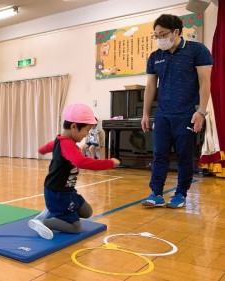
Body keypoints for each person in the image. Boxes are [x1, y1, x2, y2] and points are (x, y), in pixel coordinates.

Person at [141, 14, 212, 209]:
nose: (159, 39)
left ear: (177, 32)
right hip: (163, 114)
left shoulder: (197, 50)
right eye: (156, 35)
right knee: (159, 155)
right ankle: (156, 193)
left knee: (184, 156)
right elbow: (150, 87)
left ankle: (180, 194)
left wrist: (202, 111)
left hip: (187, 113)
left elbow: (205, 83)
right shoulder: (155, 57)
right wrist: (146, 113)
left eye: (163, 34)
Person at [28, 104, 120, 239]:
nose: (86, 135)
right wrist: (109, 163)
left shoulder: (61, 140)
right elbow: (81, 162)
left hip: (67, 191)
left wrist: (42, 150)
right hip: (58, 194)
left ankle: (55, 211)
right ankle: (43, 222)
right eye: (87, 130)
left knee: (87, 212)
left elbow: (50, 146)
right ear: (74, 127)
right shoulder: (67, 144)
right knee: (75, 228)